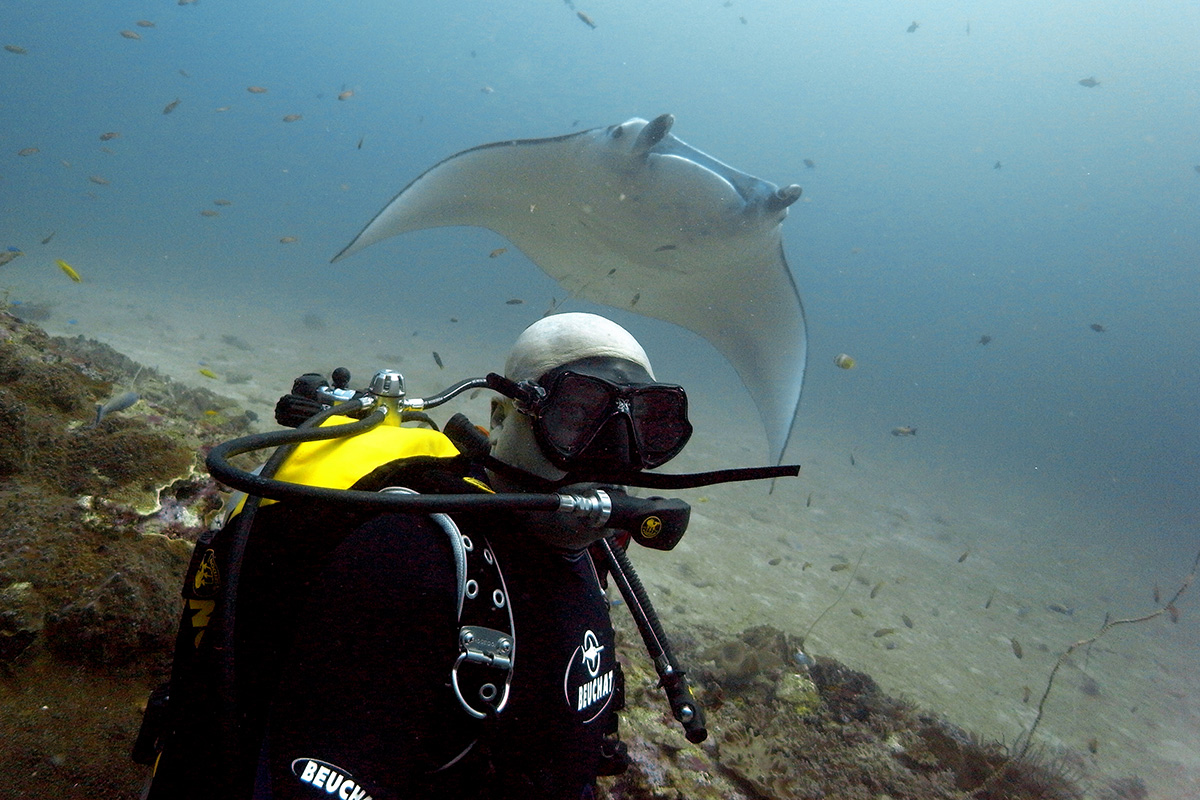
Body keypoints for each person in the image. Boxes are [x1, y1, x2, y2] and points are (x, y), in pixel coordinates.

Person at [139, 312, 695, 800]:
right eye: (577, 416)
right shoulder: (408, 559)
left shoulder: (593, 557)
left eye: (644, 426)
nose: (613, 456)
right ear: (502, 416)